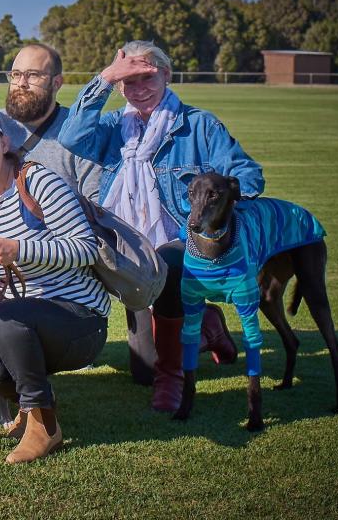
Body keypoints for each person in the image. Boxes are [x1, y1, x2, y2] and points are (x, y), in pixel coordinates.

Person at [58, 40, 265, 411]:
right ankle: (209, 326)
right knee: (142, 370)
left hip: (181, 240)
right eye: (129, 82)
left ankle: (173, 377)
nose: (139, 89)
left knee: (168, 265)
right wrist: (106, 77)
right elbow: (71, 136)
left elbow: (246, 174)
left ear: (167, 74)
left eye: (147, 78)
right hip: (130, 248)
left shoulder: (199, 125)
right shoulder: (112, 128)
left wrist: (226, 206)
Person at [0, 99, 110, 464]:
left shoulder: (37, 181)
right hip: (17, 325)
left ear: (4, 141)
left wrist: (22, 249)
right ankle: (38, 396)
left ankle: (44, 426)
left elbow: (86, 249)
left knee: (8, 316)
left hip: (79, 319)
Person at [0, 43, 101, 201]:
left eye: (33, 75)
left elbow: (97, 211)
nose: (21, 83)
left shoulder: (80, 133)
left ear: (56, 83)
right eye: (16, 75)